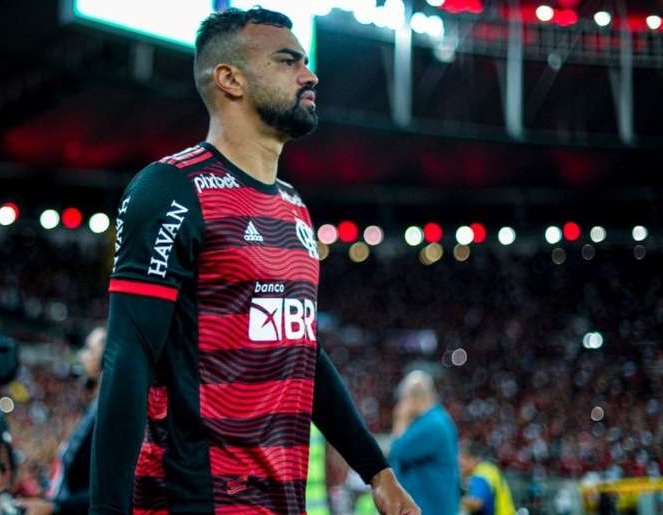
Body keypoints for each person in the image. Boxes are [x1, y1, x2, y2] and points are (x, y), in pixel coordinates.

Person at [89, 7, 419, 515]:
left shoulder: (293, 207)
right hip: (197, 499)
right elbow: (126, 359)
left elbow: (304, 352)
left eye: (305, 62)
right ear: (230, 79)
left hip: (282, 503)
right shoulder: (172, 189)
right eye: (288, 61)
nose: (310, 75)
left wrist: (376, 470)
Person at [17, 327, 107, 515]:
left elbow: (112, 489)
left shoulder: (111, 415)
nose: (82, 356)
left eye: (89, 350)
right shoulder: (94, 408)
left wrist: (55, 508)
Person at [388, 370, 460, 515]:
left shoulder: (431, 425)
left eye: (403, 398)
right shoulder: (435, 420)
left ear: (412, 397)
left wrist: (400, 419)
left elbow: (396, 452)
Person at [460, 443, 515, 515]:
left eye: (463, 459)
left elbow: (476, 502)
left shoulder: (481, 475)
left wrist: (452, 500)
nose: (460, 463)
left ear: (473, 460)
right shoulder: (489, 469)